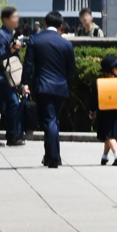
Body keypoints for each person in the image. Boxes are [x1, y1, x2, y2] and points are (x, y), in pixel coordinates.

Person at [22, 11, 77, 169]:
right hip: (60, 87)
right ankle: (50, 155)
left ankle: (53, 157)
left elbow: (28, 64)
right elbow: (71, 67)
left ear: (45, 24)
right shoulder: (66, 44)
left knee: (49, 121)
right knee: (53, 120)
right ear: (61, 27)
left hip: (42, 86)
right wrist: (62, 77)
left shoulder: (36, 40)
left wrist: (25, 83)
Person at [0, 7, 24, 147]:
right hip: (2, 76)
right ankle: (12, 136)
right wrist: (13, 48)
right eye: (14, 18)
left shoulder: (8, 34)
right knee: (13, 103)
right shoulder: (0, 35)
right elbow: (0, 56)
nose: (17, 20)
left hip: (5, 76)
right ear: (6, 20)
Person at [89, 56, 117, 166]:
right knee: (110, 135)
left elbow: (95, 99)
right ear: (113, 69)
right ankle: (108, 156)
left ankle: (114, 156)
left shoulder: (100, 83)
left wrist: (92, 111)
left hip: (104, 113)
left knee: (109, 135)